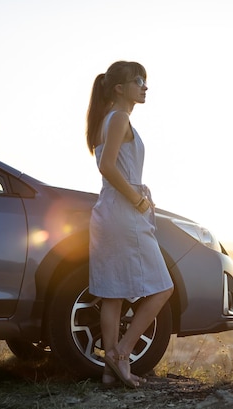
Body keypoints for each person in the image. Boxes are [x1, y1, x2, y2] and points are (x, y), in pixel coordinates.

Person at [86, 61, 174, 388]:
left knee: (113, 294)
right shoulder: (120, 117)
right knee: (163, 287)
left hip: (107, 210)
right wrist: (137, 200)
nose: (145, 86)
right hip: (123, 211)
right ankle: (121, 353)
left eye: (145, 81)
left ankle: (111, 371)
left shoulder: (105, 119)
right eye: (138, 80)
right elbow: (108, 167)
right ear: (120, 88)